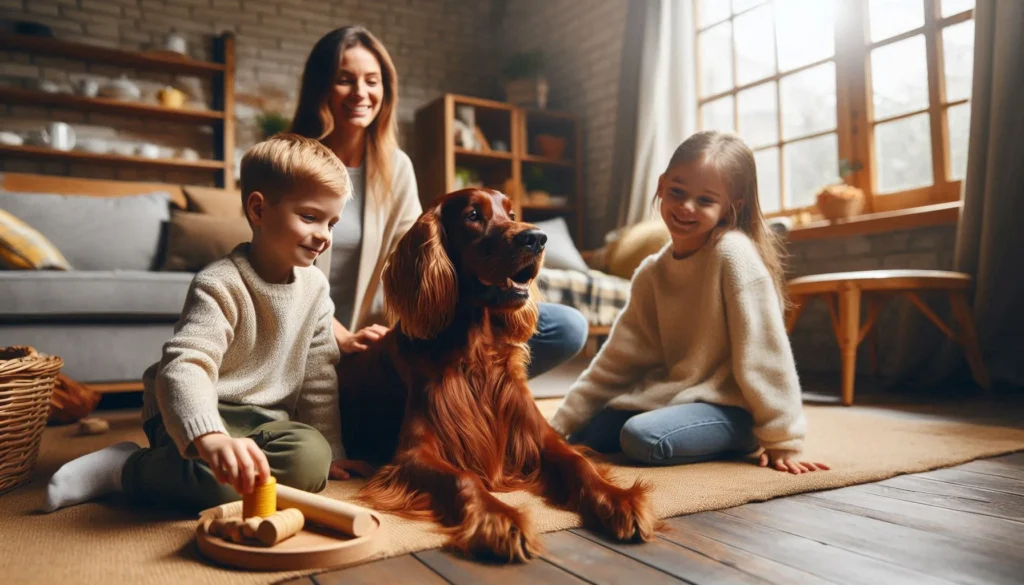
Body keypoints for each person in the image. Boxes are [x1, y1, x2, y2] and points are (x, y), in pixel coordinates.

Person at [44, 134, 364, 513]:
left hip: (264, 424)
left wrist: (332, 449)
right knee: (214, 482)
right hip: (191, 413)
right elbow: (185, 367)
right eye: (310, 217)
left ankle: (218, 470)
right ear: (258, 211)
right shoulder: (219, 283)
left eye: (332, 223)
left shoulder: (315, 290)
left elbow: (318, 379)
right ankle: (124, 468)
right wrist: (210, 437)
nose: (323, 236)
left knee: (310, 459)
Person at [290, 26, 588, 376]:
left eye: (372, 81)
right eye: (344, 79)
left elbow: (419, 257)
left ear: (385, 90)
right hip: (315, 341)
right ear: (320, 86)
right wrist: (338, 335)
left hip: (388, 336)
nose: (361, 93)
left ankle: (461, 405)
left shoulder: (395, 167)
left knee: (564, 327)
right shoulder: (290, 165)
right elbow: (278, 272)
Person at [549, 131, 829, 475]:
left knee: (641, 437)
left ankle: (742, 438)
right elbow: (615, 362)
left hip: (734, 408)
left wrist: (782, 439)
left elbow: (765, 354)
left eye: (705, 201)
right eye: (677, 192)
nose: (685, 207)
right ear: (662, 184)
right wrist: (557, 428)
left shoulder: (733, 254)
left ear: (732, 206)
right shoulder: (651, 273)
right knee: (587, 433)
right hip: (679, 396)